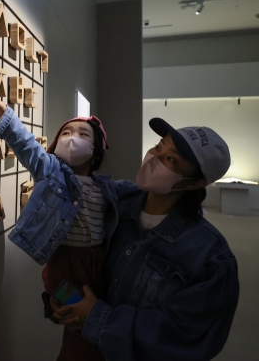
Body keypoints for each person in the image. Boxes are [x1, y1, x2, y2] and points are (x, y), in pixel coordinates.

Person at [50, 118, 240, 361]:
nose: (155, 157)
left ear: (196, 183)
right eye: (159, 146)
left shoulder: (210, 256)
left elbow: (187, 337)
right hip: (78, 350)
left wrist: (98, 317)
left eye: (171, 159)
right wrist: (59, 299)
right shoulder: (113, 202)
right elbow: (79, 257)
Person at [0, 76, 138, 360]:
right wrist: (2, 108)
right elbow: (26, 145)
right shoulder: (52, 171)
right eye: (66, 133)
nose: (73, 138)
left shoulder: (109, 188)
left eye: (83, 134)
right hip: (65, 260)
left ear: (96, 151)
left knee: (99, 319)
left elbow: (143, 197)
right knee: (75, 326)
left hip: (99, 260)